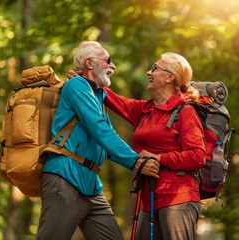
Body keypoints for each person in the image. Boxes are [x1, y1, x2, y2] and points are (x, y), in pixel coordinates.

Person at [68, 52, 206, 239]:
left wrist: (160, 158)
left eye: (155, 68)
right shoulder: (146, 110)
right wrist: (87, 81)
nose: (149, 72)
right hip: (147, 200)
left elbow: (197, 156)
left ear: (170, 77)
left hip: (178, 198)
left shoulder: (185, 110)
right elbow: (112, 98)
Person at [36, 41, 160, 240]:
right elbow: (99, 128)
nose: (113, 66)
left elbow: (106, 140)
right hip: (65, 178)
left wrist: (135, 160)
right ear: (90, 63)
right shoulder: (76, 85)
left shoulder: (97, 95)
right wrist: (136, 162)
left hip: (91, 185)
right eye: (107, 61)